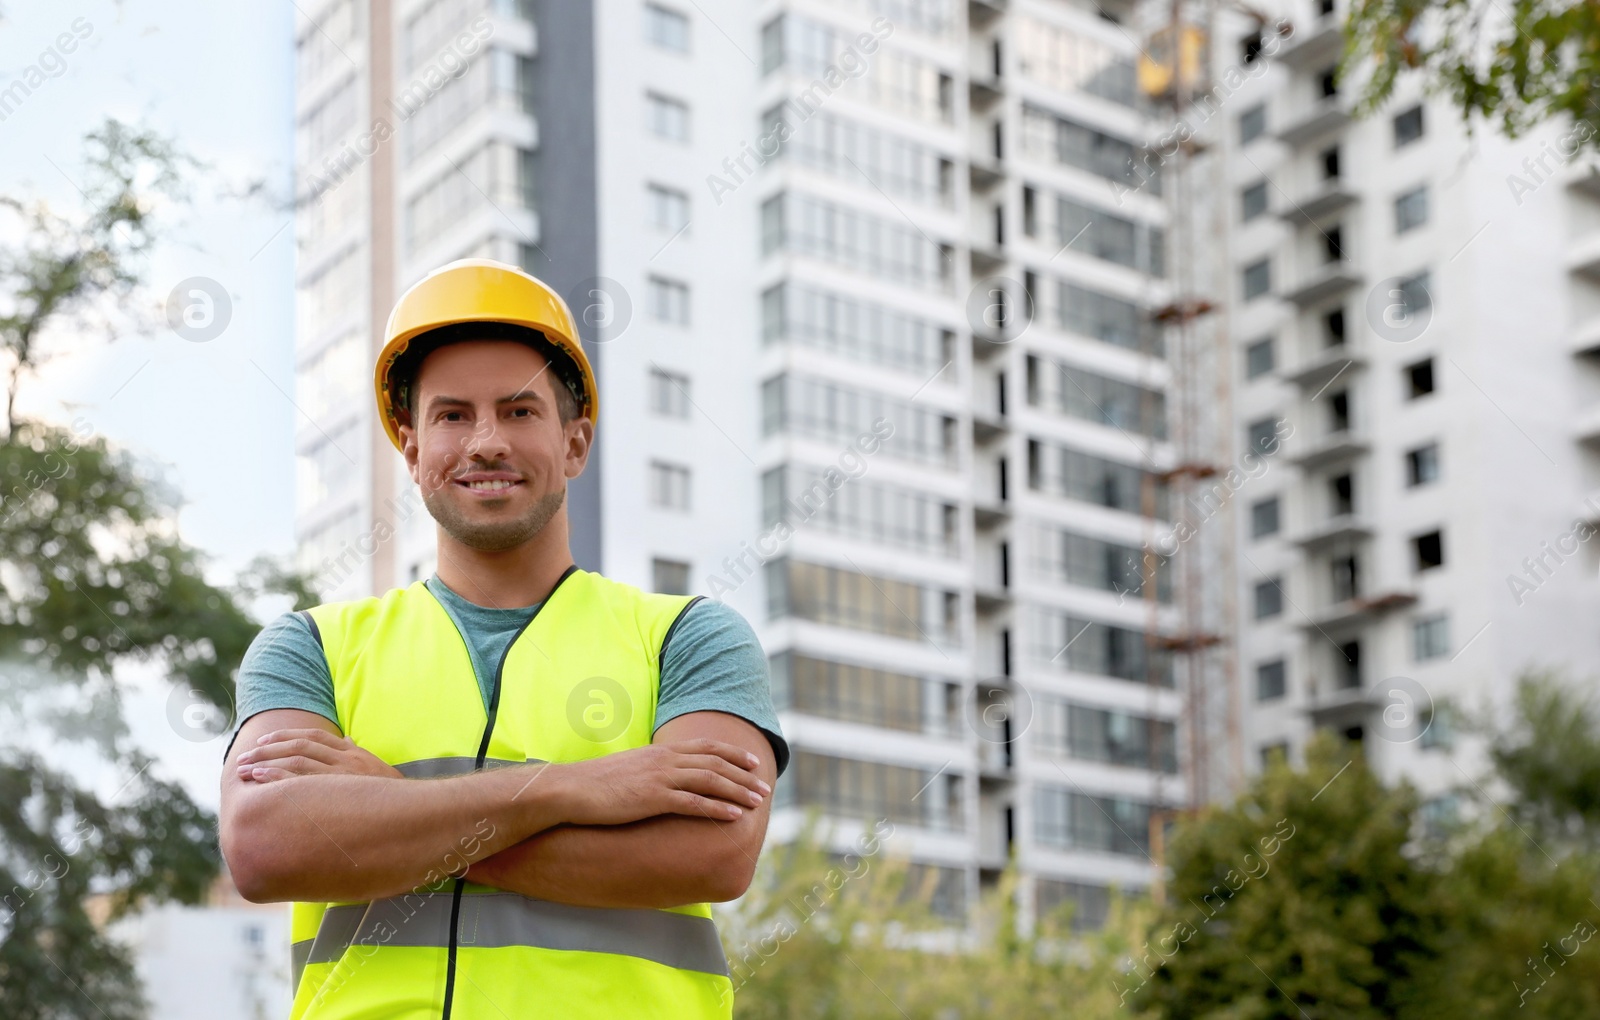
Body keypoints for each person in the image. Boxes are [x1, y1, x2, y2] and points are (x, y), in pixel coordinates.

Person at [219, 259, 787, 1020]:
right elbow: (265, 848)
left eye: (519, 412)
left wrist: (393, 810)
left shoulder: (691, 639)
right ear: (413, 450)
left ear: (575, 443)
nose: (485, 441)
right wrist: (570, 788)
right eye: (451, 415)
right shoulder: (307, 648)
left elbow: (712, 855)